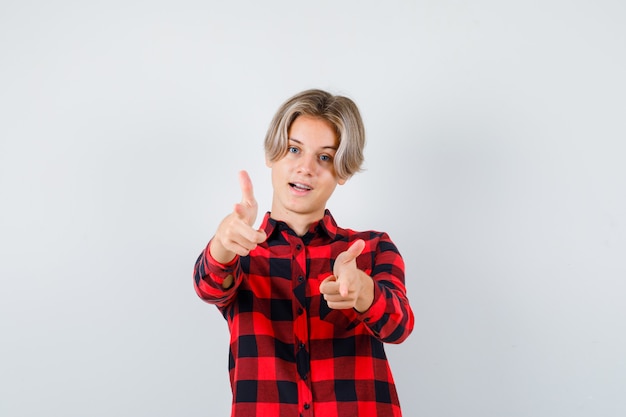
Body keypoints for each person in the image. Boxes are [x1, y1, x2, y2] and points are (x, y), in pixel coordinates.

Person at [193, 89, 414, 417]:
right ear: (272, 155)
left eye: (324, 157)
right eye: (294, 149)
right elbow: (208, 285)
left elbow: (399, 326)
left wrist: (362, 291)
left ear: (343, 172)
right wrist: (222, 244)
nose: (305, 168)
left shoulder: (372, 248)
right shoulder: (242, 251)